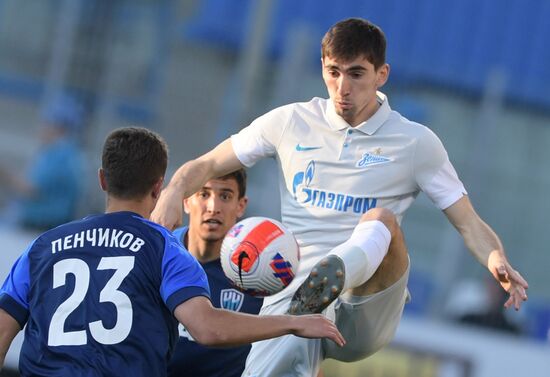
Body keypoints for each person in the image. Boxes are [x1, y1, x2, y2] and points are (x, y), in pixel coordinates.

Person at [151, 18, 529, 376]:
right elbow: (208, 163)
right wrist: (173, 191)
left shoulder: (416, 142)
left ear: (382, 74)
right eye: (334, 72)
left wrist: (496, 257)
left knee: (380, 219)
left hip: (366, 303)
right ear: (322, 69)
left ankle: (334, 275)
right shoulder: (290, 122)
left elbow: (468, 221)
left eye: (356, 73)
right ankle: (312, 295)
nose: (343, 87)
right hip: (293, 297)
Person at [0, 127, 344, 376]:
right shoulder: (165, 249)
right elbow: (207, 329)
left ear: (103, 180)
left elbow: (3, 330)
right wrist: (293, 323)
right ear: (158, 186)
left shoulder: (43, 247)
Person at [167, 169, 263, 377]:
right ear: (186, 201)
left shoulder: (259, 271)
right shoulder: (159, 253)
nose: (213, 207)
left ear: (241, 205)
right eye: (204, 194)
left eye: (225, 196)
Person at [0, 93, 84, 231]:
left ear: (59, 126)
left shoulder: (61, 154)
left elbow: (30, 189)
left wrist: (3, 172)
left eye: (46, 123)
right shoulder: (61, 152)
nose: (41, 128)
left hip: (42, 228)